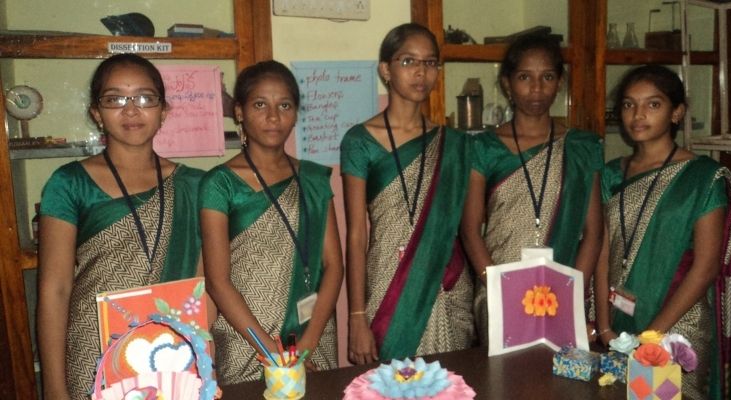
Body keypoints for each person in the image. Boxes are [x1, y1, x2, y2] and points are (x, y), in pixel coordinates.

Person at [36, 53, 204, 399]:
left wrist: (204, 354)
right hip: (94, 350)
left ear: (164, 111)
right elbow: (55, 290)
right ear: (97, 113)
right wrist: (53, 387)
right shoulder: (69, 183)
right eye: (115, 99)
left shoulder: (196, 186)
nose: (131, 110)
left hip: (173, 350)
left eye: (144, 98)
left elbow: (204, 283)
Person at [595, 65, 731, 399]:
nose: (638, 114)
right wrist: (604, 327)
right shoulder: (610, 174)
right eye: (628, 104)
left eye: (653, 104)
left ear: (676, 112)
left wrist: (651, 337)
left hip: (678, 327)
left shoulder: (701, 177)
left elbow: (706, 267)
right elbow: (602, 253)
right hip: (621, 320)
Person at [200, 60, 342, 384]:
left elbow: (334, 265)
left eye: (285, 105)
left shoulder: (314, 178)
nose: (274, 117)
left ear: (296, 113)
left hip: (313, 335)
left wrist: (308, 344)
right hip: (248, 343)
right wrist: (275, 354)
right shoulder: (219, 184)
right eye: (260, 104)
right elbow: (217, 282)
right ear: (239, 111)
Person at [342, 23, 474, 364]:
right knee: (390, 382)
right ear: (386, 70)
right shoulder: (359, 141)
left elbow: (468, 228)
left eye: (430, 63)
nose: (421, 72)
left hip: (445, 285)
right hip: (387, 283)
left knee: (450, 380)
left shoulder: (453, 144)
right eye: (408, 61)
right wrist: (356, 316)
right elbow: (356, 234)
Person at [460, 33, 603, 346]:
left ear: (559, 82)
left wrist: (572, 290)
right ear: (507, 84)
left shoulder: (582, 147)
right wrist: (500, 288)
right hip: (497, 289)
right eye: (525, 77)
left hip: (565, 288)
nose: (536, 89)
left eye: (547, 77)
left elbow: (594, 232)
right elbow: (470, 231)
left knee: (560, 374)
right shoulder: (483, 148)